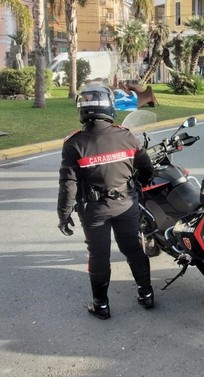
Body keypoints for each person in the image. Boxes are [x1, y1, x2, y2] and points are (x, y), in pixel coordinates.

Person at [57, 84, 155, 320]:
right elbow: (146, 169)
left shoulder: (74, 143)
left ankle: (101, 305)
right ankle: (147, 294)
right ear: (110, 108)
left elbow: (68, 184)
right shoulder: (126, 136)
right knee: (133, 249)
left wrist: (63, 214)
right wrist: (135, 185)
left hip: (94, 211)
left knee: (99, 256)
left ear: (82, 110)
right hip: (126, 204)